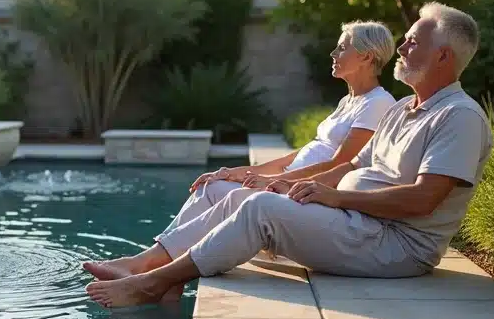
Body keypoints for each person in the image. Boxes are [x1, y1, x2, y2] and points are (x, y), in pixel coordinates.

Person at [84, 2, 493, 308]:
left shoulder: (459, 117)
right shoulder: (405, 109)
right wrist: (301, 185)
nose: (402, 47)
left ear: (443, 56)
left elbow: (425, 199)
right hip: (359, 224)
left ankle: (153, 282)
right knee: (238, 196)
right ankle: (156, 271)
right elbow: (351, 164)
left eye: (413, 42)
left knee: (262, 208)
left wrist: (337, 197)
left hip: (397, 245)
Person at [161, 21, 398, 241]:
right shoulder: (348, 101)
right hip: (286, 184)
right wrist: (236, 172)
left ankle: (154, 263)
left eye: (342, 48)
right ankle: (157, 260)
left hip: (304, 195)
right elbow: (296, 156)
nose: (333, 54)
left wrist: (272, 181)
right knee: (212, 186)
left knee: (221, 195)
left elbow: (340, 165)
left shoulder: (377, 103)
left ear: (366, 56)